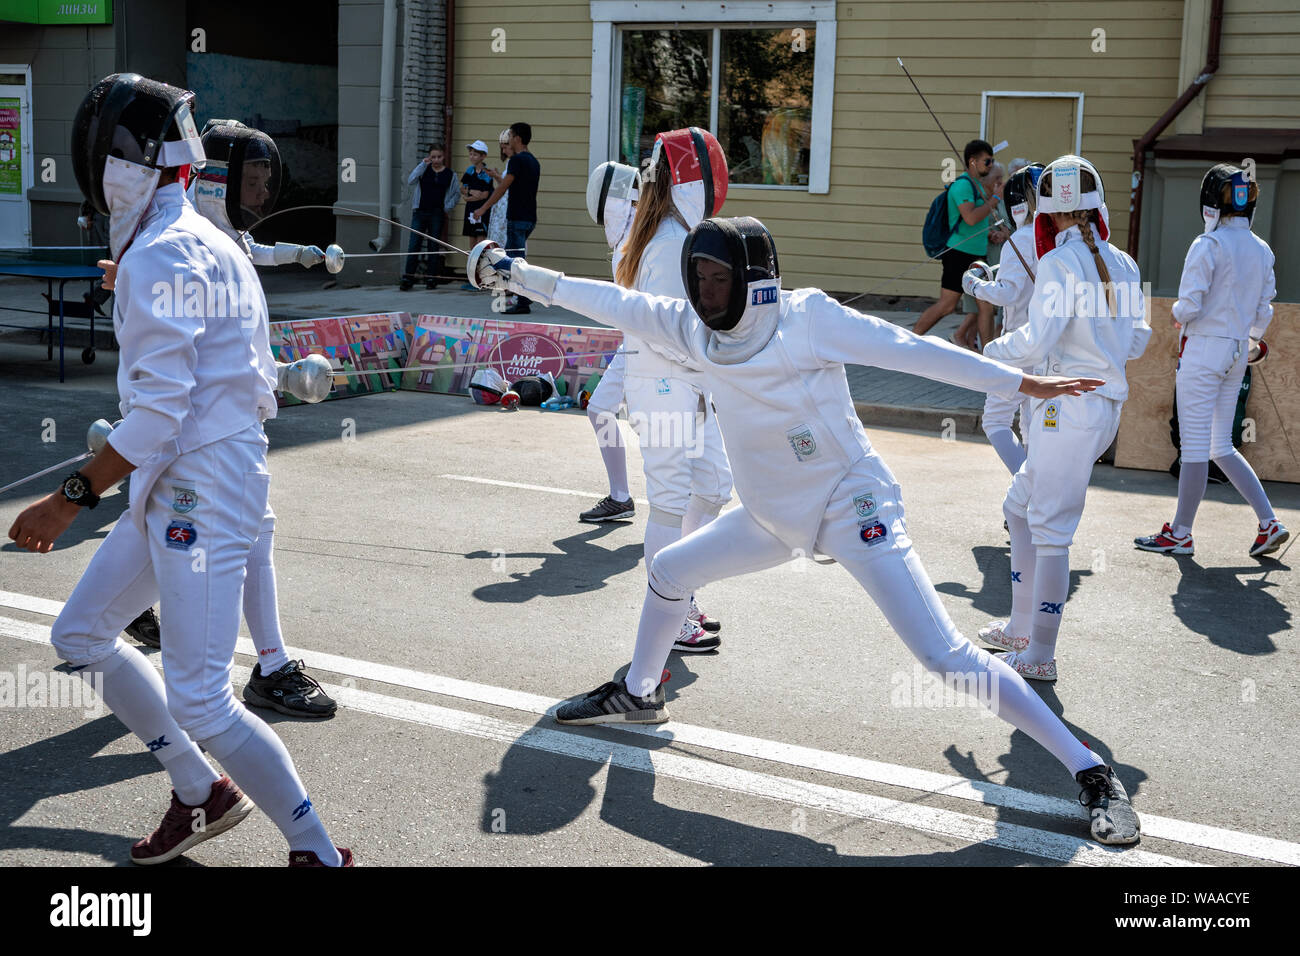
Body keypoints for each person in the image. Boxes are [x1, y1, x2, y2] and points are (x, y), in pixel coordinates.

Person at [466, 213, 1142, 847]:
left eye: (719, 279)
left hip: (854, 509)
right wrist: (512, 271)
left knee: (944, 655)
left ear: (755, 282)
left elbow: (912, 353)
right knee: (670, 570)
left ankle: (1090, 771)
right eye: (698, 278)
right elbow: (608, 301)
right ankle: (641, 694)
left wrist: (1024, 383)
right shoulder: (692, 330)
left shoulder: (808, 319)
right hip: (769, 515)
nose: (704, 293)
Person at [7, 73, 351, 866]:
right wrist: (131, 280)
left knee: (201, 696)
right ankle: (200, 792)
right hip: (186, 476)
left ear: (116, 165)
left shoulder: (166, 254)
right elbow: (214, 349)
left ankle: (319, 853)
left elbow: (158, 413)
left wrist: (67, 499)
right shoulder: (202, 240)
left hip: (200, 483)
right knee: (83, 632)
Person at [101, 122, 338, 721]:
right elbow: (182, 371)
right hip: (191, 444)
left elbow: (231, 348)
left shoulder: (218, 245)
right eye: (251, 183)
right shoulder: (183, 245)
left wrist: (275, 373)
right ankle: (245, 685)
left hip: (215, 437)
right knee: (217, 541)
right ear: (215, 181)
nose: (259, 196)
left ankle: (254, 669)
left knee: (244, 534)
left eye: (264, 184)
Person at [978, 155, 1151, 684]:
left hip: (1065, 407)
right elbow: (1138, 341)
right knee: (1019, 505)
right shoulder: (1123, 263)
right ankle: (1020, 628)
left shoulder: (1059, 263)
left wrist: (988, 352)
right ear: (1095, 207)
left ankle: (1040, 654)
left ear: (1050, 214)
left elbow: (1035, 340)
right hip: (1098, 409)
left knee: (1050, 530)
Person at [606, 127, 736, 647]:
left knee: (713, 486)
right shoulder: (666, 244)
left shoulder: (672, 235)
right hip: (662, 389)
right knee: (667, 501)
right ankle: (670, 610)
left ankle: (681, 592)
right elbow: (670, 332)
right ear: (691, 183)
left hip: (686, 388)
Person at [1134, 163, 1288, 559]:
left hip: (1204, 351)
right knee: (1221, 445)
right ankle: (1270, 522)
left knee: (1196, 448)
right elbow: (1264, 309)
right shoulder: (1262, 248)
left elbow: (1189, 304)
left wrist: (1179, 315)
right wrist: (1252, 341)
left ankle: (1181, 533)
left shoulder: (1208, 245)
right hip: (1237, 350)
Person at [962, 162, 1044, 475]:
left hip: (1018, 346)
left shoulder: (1020, 240)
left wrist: (974, 285)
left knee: (995, 420)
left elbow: (1007, 293)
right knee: (1030, 426)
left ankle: (1029, 492)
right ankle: (1034, 497)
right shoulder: (1056, 239)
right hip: (1046, 345)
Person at [578, 160, 639, 524]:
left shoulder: (645, 236)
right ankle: (621, 498)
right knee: (600, 409)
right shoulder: (632, 233)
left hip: (653, 346)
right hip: (634, 342)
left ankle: (687, 508)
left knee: (662, 426)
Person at [913, 139, 1002, 337]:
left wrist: (989, 233)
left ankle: (988, 356)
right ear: (973, 162)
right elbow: (970, 218)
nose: (991, 166)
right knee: (947, 306)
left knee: (986, 307)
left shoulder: (976, 185)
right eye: (987, 161)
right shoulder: (963, 186)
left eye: (992, 161)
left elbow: (975, 222)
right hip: (959, 253)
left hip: (978, 254)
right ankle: (909, 341)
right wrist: (995, 199)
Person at [473, 122, 540, 314]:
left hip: (517, 218)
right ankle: (523, 297)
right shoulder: (534, 161)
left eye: (510, 135)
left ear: (517, 138)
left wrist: (484, 207)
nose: (508, 139)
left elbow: (503, 188)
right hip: (529, 218)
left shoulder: (517, 161)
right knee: (517, 260)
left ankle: (523, 301)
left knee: (514, 262)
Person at [402, 143, 454, 290]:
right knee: (414, 245)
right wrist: (421, 165)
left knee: (433, 246)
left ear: (443, 157)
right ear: (429, 157)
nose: (436, 160)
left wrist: (447, 207)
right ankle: (408, 278)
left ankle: (431, 278)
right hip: (420, 212)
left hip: (437, 214)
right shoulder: (424, 170)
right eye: (433, 157)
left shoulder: (449, 174)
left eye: (439, 157)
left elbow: (453, 193)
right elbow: (410, 180)